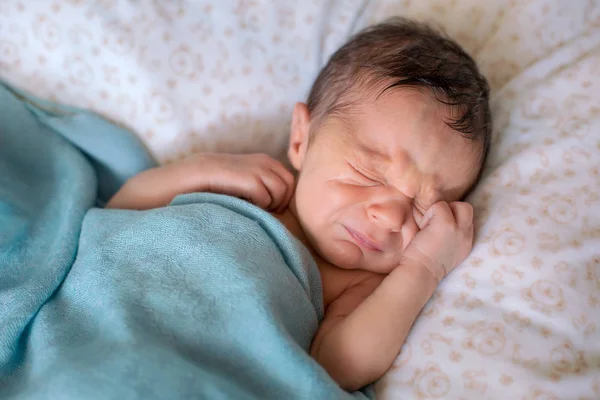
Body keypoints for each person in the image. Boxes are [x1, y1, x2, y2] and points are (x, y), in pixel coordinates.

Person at [107, 17, 491, 391]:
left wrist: (424, 268)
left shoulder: (361, 286)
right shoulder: (249, 188)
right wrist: (203, 170)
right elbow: (119, 216)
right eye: (368, 173)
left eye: (426, 208)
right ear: (300, 140)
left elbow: (338, 365)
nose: (391, 217)